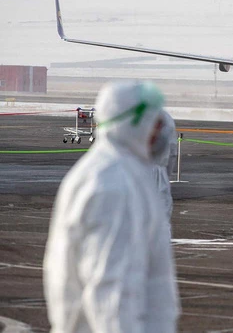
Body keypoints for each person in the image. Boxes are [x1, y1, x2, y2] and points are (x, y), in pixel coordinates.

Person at [43, 81, 180, 333]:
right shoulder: (112, 184)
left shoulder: (125, 171)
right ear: (132, 123)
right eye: (154, 123)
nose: (162, 133)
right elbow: (110, 289)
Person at [151, 110, 178, 238]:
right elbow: (173, 151)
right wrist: (166, 175)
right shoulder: (165, 117)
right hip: (158, 171)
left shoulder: (123, 112)